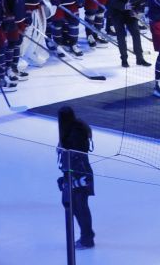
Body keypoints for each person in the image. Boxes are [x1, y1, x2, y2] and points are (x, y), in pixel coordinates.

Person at [57, 106, 95, 250]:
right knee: (75, 207)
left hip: (79, 174)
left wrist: (72, 179)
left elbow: (75, 157)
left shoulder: (74, 133)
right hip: (75, 173)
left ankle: (87, 239)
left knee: (79, 208)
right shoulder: (75, 128)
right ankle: (87, 236)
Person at [107, 0, 151, 68]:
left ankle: (140, 59)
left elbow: (141, 2)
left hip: (130, 12)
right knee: (121, 36)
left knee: (136, 34)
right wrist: (125, 6)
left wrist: (137, 12)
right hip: (117, 13)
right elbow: (113, 2)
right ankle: (124, 59)